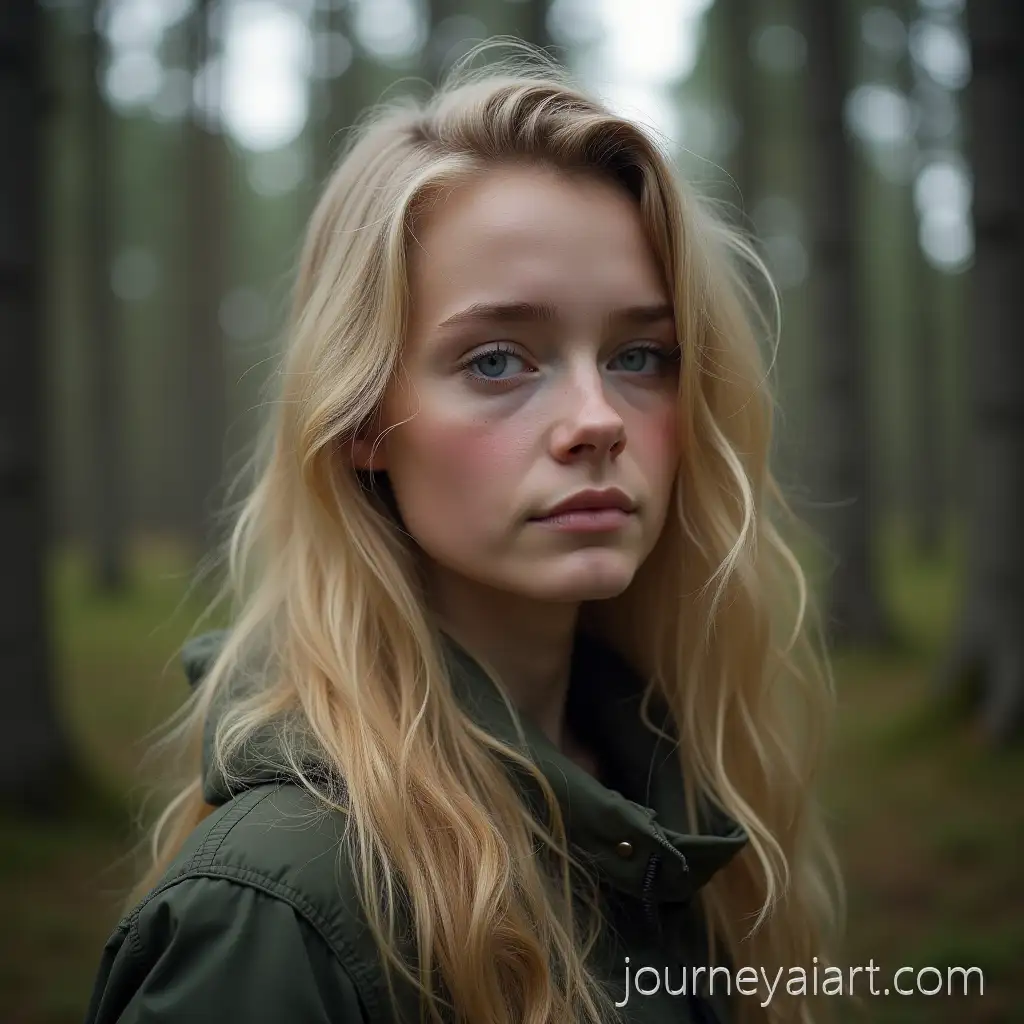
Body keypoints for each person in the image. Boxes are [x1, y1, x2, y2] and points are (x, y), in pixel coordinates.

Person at [84, 45, 842, 1024]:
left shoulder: (671, 801)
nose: (596, 418)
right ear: (363, 423)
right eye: (496, 360)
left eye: (639, 354)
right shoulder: (274, 913)